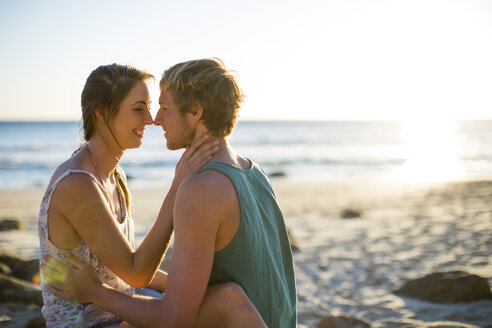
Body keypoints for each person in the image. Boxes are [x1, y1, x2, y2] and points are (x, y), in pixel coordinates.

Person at [44, 58, 297, 327]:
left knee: (224, 299)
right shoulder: (254, 173)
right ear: (102, 113)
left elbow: (155, 296)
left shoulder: (192, 188)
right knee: (221, 299)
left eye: (161, 107)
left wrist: (97, 292)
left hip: (116, 314)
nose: (154, 119)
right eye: (140, 109)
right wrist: (178, 186)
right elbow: (135, 274)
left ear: (196, 112)